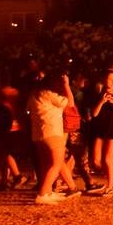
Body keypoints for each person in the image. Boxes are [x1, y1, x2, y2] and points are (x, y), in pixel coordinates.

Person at [29, 73, 76, 205]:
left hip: (38, 133)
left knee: (46, 164)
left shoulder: (34, 94)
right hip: (52, 131)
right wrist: (67, 85)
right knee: (56, 163)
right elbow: (70, 103)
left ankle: (48, 192)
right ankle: (43, 194)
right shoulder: (49, 94)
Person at [89, 65, 113, 193]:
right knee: (96, 160)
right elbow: (94, 114)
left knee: (108, 159)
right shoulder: (99, 94)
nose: (110, 82)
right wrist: (102, 101)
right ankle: (112, 178)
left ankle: (110, 185)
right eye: (108, 79)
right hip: (101, 129)